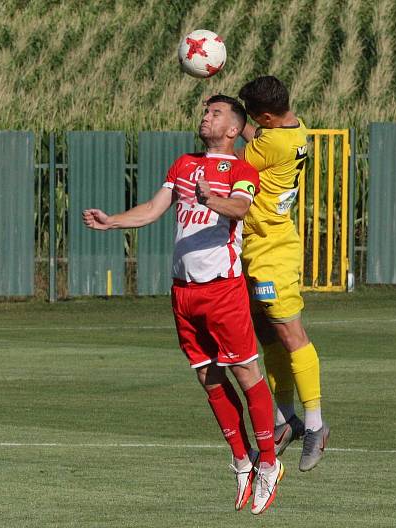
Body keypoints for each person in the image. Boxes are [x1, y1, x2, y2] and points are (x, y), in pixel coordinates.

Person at [82, 95, 283, 515]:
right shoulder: (184, 164)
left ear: (233, 128)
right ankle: (242, 461)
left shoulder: (241, 169)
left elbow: (242, 207)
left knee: (246, 373)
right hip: (183, 291)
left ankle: (268, 461)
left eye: (215, 113)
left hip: (223, 290)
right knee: (208, 377)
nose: (205, 117)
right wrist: (112, 220)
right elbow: (155, 209)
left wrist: (212, 200)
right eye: (205, 111)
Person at [235, 76, 329, 472]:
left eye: (254, 118)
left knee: (291, 334)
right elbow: (256, 135)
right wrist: (241, 117)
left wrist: (231, 121)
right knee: (268, 333)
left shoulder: (271, 143)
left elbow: (234, 159)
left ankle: (315, 425)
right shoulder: (293, 128)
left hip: (274, 250)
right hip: (256, 247)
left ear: (267, 117)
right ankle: (285, 418)